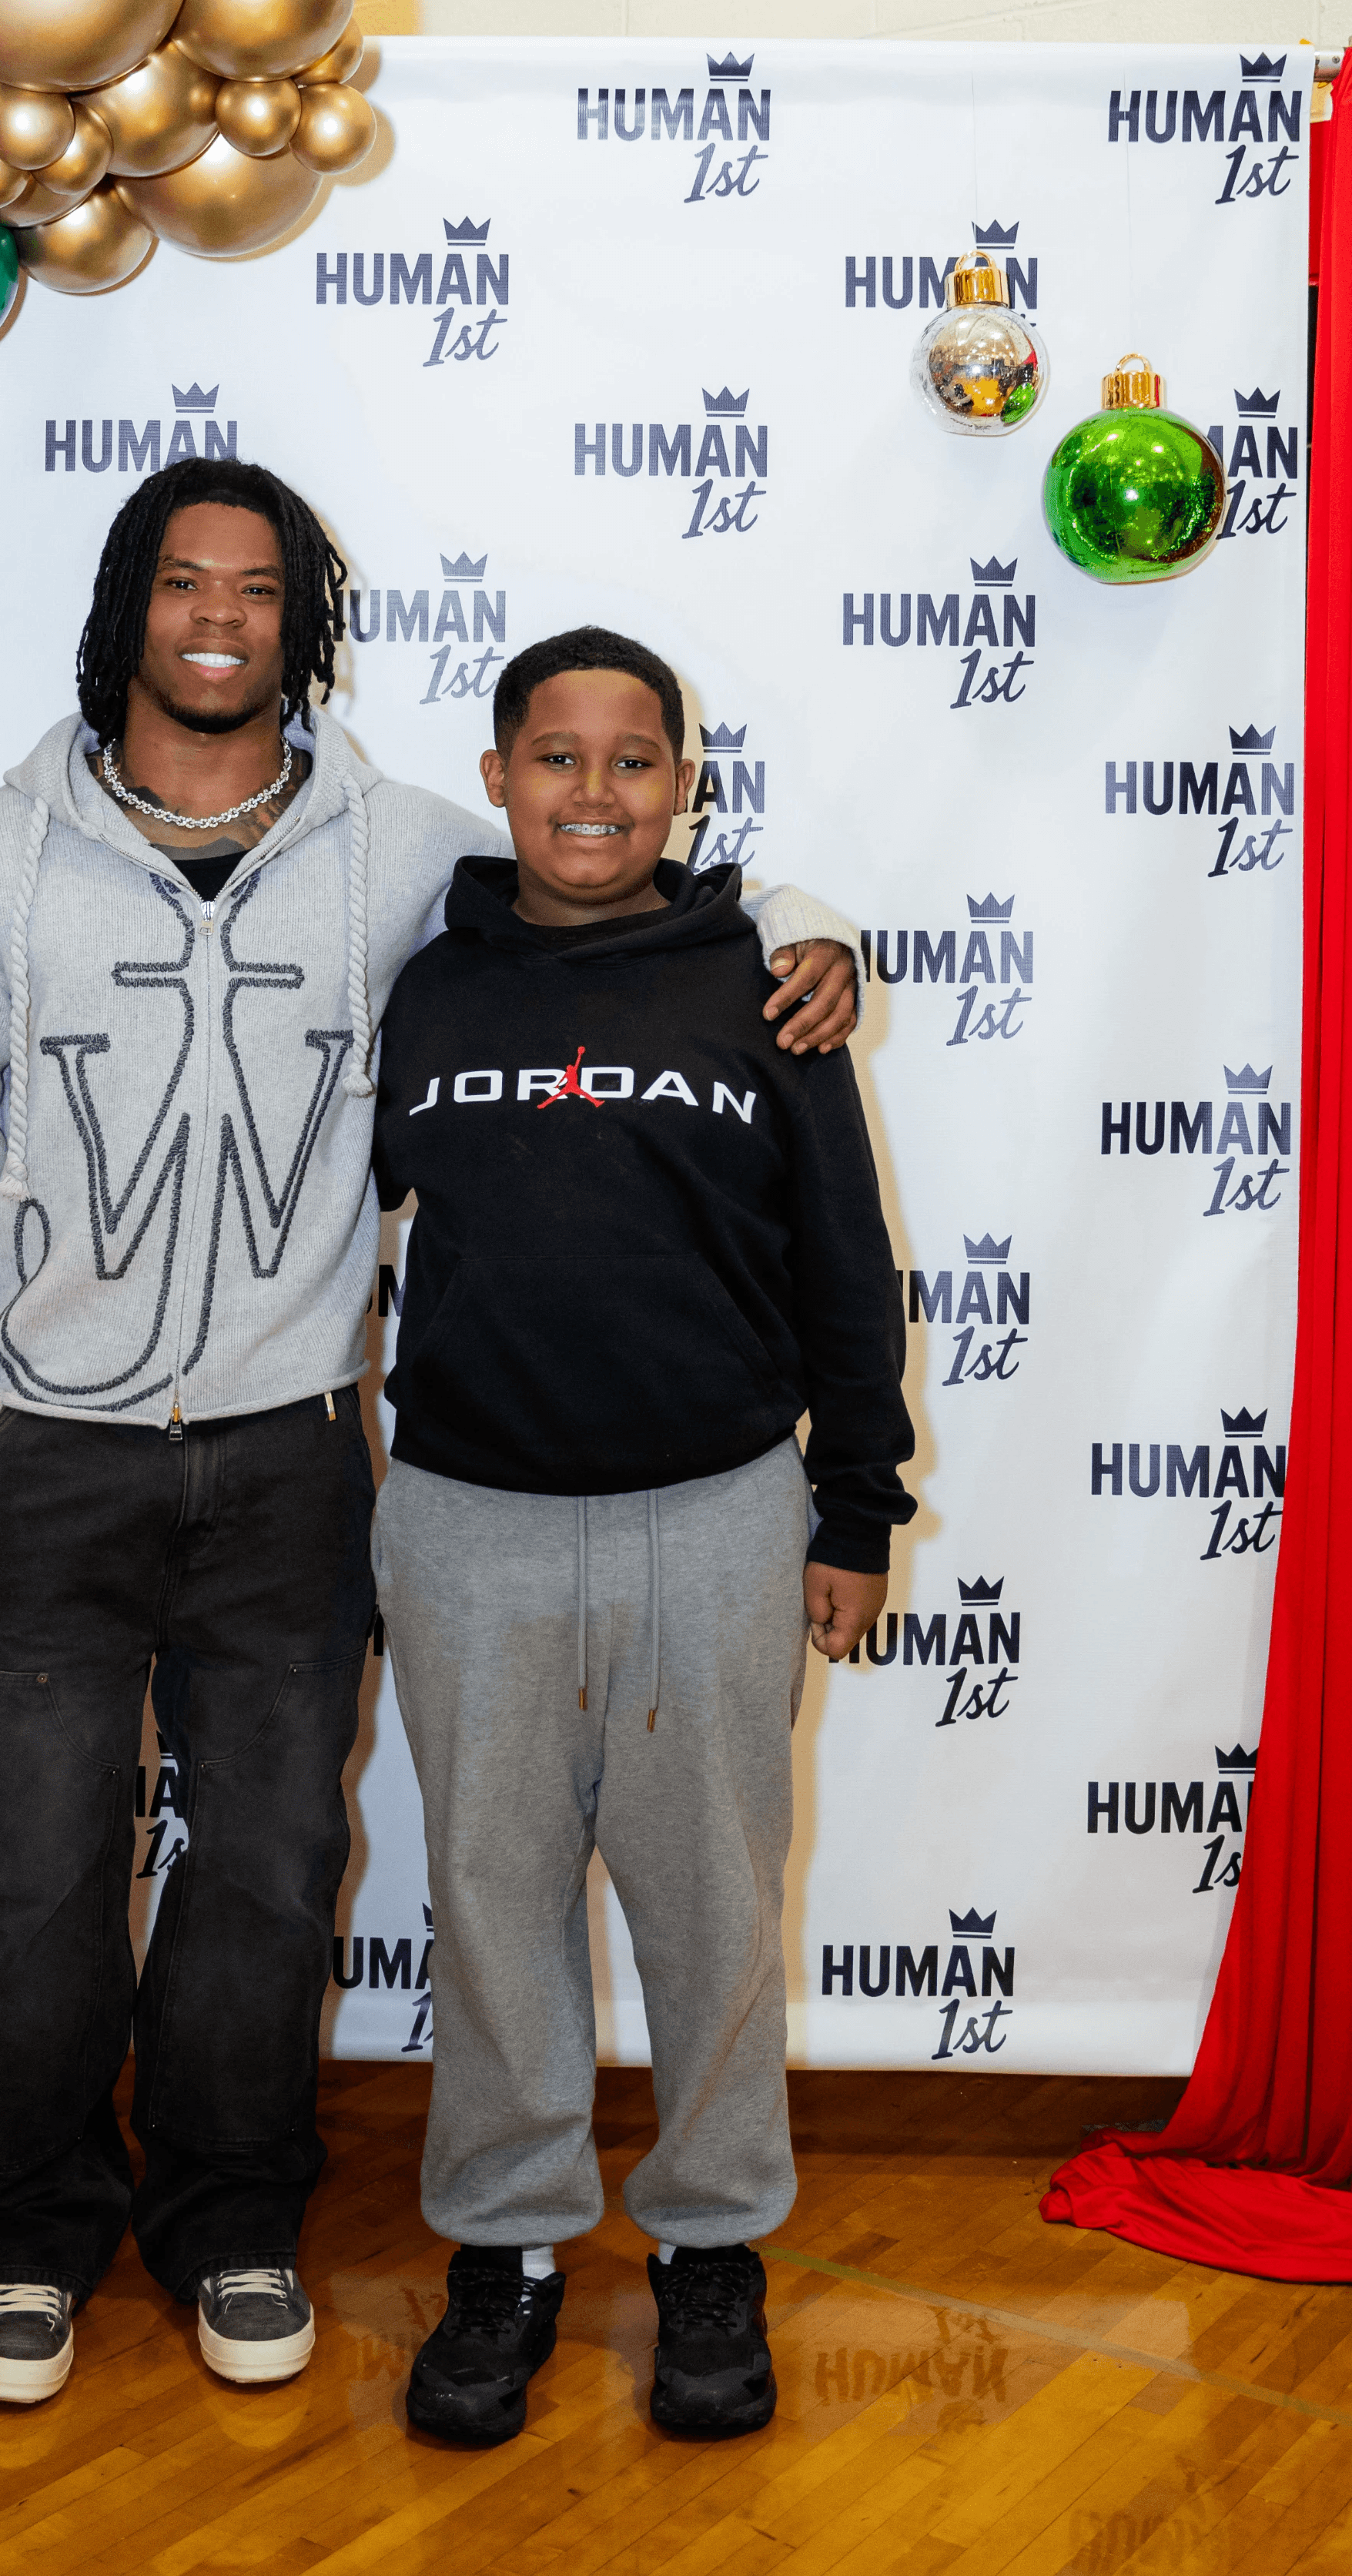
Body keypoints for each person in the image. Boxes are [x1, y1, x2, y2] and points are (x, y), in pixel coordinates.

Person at [0, 462, 863, 2409]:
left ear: (302, 626)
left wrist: (812, 927)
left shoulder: (400, 845)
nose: (217, 618)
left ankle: (232, 2223)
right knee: (33, 1880)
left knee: (266, 1872)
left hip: (289, 1461)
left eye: (257, 589)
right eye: (183, 583)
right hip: (44, 1462)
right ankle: (27, 2238)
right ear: (126, 608)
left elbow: (622, 873)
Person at [369, 627, 914, 2446]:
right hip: (468, 1522)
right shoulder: (425, 990)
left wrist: (858, 1502)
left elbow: (845, 1260)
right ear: (498, 775)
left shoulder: (766, 986)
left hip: (717, 1514)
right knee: (490, 1906)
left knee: (712, 1912)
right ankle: (506, 2246)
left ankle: (709, 2244)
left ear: (682, 783)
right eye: (555, 755)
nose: (591, 791)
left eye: (631, 759)